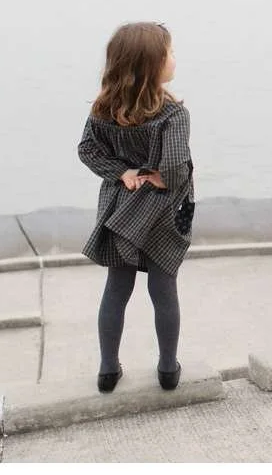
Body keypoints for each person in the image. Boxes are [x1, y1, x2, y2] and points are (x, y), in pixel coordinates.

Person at [77, 22, 196, 393]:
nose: (175, 59)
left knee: (117, 288)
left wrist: (123, 172)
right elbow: (175, 166)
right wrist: (160, 177)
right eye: (170, 53)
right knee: (164, 290)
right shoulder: (172, 114)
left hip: (119, 209)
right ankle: (166, 368)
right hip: (161, 213)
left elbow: (87, 150)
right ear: (153, 64)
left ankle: (108, 369)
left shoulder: (104, 107)